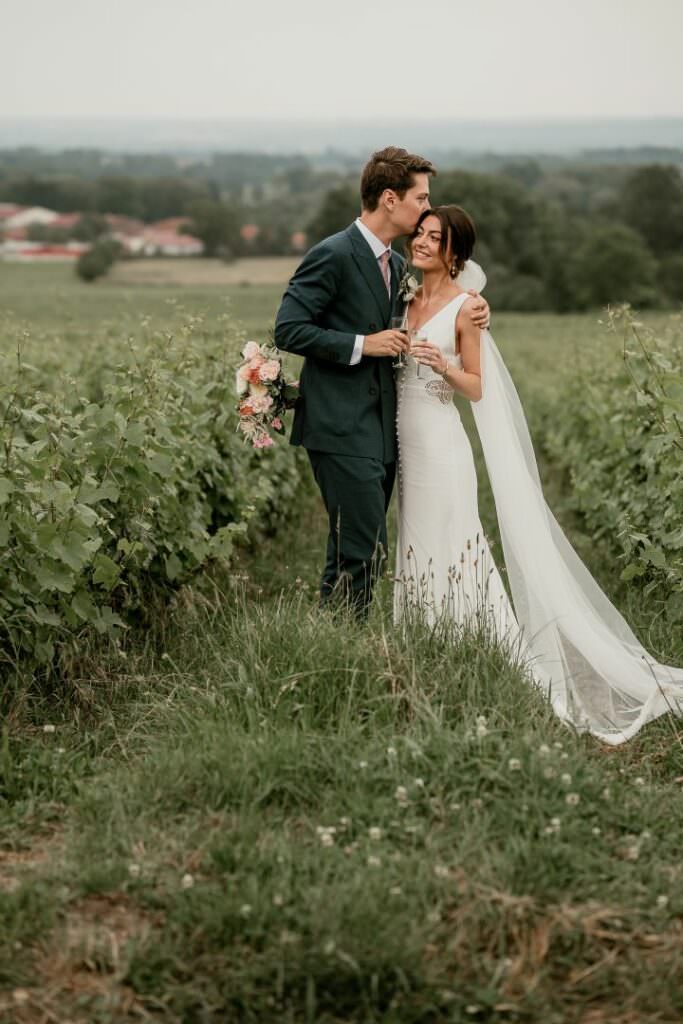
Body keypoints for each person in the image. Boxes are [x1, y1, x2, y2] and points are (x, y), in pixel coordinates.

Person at [396, 204, 683, 745]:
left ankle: (479, 647)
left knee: (452, 542)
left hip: (440, 444)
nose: (421, 242)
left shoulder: (465, 308)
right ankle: (421, 643)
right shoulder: (407, 298)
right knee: (414, 541)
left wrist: (442, 366)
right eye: (420, 233)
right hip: (405, 443)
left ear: (454, 252)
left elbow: (477, 386)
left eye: (434, 238)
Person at [274, 148, 489, 617]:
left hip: (381, 432)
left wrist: (471, 309)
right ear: (390, 199)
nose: (427, 208)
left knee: (353, 549)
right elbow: (288, 328)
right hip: (339, 424)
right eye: (422, 198)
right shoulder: (332, 254)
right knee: (363, 552)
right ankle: (340, 653)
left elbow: (434, 307)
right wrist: (362, 345)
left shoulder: (396, 265)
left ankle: (333, 643)